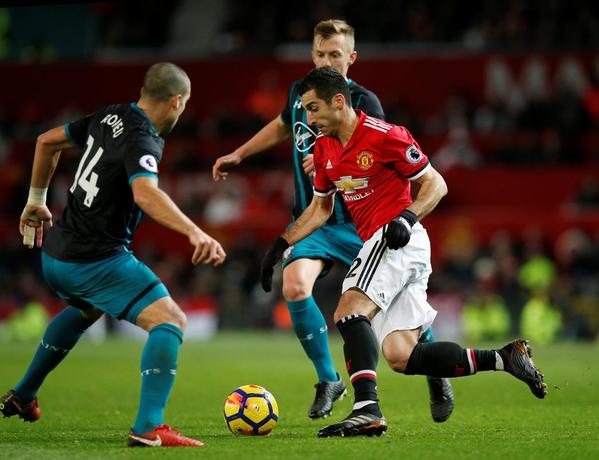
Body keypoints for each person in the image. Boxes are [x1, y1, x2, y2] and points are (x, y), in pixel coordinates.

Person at [261, 67, 548, 438]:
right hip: (382, 245)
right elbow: (320, 209)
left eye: (314, 108)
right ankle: (505, 358)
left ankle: (366, 409)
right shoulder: (323, 148)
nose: (309, 119)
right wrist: (281, 244)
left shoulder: (385, 135)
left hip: (397, 239)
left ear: (338, 101)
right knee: (401, 355)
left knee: (349, 310)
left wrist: (407, 217)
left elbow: (436, 184)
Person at [213, 18, 454, 423]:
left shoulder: (364, 102)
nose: (327, 61)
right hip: (315, 217)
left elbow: (374, 151)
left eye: (335, 55)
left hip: (362, 220)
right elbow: (282, 125)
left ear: (351, 58)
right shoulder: (301, 93)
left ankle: (432, 367)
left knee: (397, 297)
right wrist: (241, 153)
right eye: (321, 54)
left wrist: (330, 158)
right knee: (294, 285)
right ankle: (329, 379)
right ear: (312, 55)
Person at [1, 63, 225, 447]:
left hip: (55, 254)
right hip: (93, 260)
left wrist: (36, 200)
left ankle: (23, 394)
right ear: (177, 102)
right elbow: (145, 193)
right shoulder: (143, 139)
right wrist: (194, 231)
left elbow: (45, 141)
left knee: (87, 309)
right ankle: (149, 427)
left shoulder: (110, 115)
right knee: (170, 321)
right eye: (185, 104)